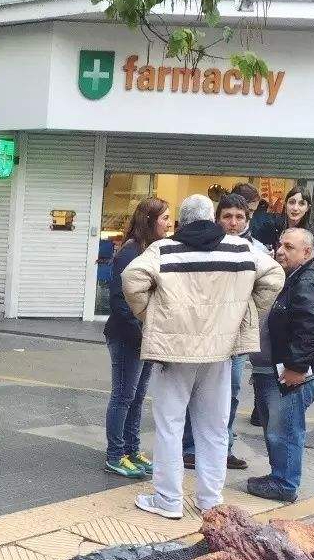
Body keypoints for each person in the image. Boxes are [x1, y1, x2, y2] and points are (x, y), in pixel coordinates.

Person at [122, 194, 283, 520]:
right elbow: (274, 276)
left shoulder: (163, 249)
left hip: (174, 353)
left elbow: (132, 279)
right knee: (214, 428)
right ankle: (210, 500)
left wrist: (149, 315)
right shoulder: (240, 248)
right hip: (220, 354)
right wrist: (245, 312)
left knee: (170, 425)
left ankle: (168, 500)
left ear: (183, 219)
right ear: (212, 218)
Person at [246, 228, 314, 504]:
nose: (280, 250)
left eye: (289, 247)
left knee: (285, 429)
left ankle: (284, 483)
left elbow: (312, 328)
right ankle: (279, 476)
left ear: (307, 252)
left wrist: (296, 367)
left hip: (291, 374)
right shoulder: (292, 278)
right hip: (278, 370)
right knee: (277, 428)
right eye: (280, 244)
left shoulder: (308, 283)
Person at [181, 192, 260, 471]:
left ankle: (223, 448)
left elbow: (269, 286)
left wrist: (249, 314)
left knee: (232, 391)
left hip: (234, 337)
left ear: (247, 220)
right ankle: (190, 448)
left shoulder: (256, 251)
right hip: (204, 333)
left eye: (240, 217)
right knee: (195, 389)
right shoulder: (203, 247)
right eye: (227, 217)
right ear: (216, 219)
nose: (234, 223)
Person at [103, 198, 170, 478]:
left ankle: (132, 449)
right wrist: (142, 332)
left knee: (137, 396)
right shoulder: (129, 254)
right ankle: (115, 455)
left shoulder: (150, 251)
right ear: (149, 220)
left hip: (144, 336)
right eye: (165, 218)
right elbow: (120, 302)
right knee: (123, 395)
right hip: (127, 336)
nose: (169, 223)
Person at [275, 186, 314, 267]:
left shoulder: (313, 232)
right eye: (291, 202)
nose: (295, 208)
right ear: (285, 204)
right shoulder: (275, 227)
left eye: (301, 203)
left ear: (307, 208)